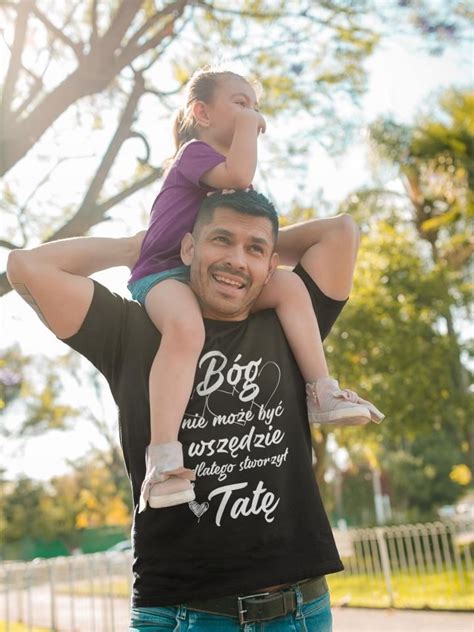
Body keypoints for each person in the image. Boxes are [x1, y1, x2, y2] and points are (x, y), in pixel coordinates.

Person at [7, 188, 382, 630]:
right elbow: (26, 267)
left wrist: (256, 247)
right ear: (188, 247)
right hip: (181, 614)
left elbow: (340, 231)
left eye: (255, 250)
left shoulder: (291, 321)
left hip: (299, 610)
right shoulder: (132, 329)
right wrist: (139, 247)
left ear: (270, 266)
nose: (236, 260)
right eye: (220, 240)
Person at [123, 68, 383, 510]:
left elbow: (250, 223)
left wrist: (262, 255)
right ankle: (163, 461)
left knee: (285, 286)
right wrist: (249, 124)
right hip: (163, 274)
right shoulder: (194, 154)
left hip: (205, 275)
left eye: (252, 103)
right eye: (239, 102)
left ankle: (322, 390)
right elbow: (240, 175)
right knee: (186, 328)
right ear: (200, 112)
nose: (251, 111)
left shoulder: (228, 181)